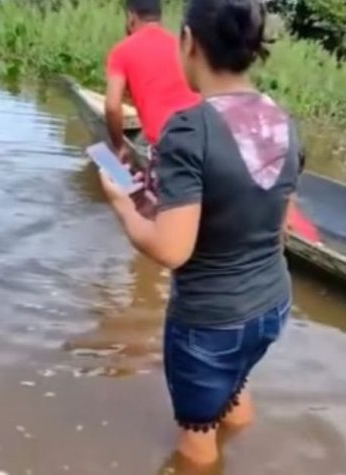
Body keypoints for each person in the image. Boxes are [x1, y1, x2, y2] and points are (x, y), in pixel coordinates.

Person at [98, 0, 303, 467]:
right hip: (272, 304)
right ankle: (250, 453)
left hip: (211, 320)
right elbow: (277, 225)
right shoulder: (283, 121)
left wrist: (121, 204)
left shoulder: (188, 130)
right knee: (234, 390)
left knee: (195, 445)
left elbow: (172, 249)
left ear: (188, 42)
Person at [105, 0, 200, 196]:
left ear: (131, 17)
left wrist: (120, 147)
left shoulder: (122, 51)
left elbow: (113, 107)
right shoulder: (181, 45)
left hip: (165, 143)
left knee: (150, 206)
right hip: (201, 138)